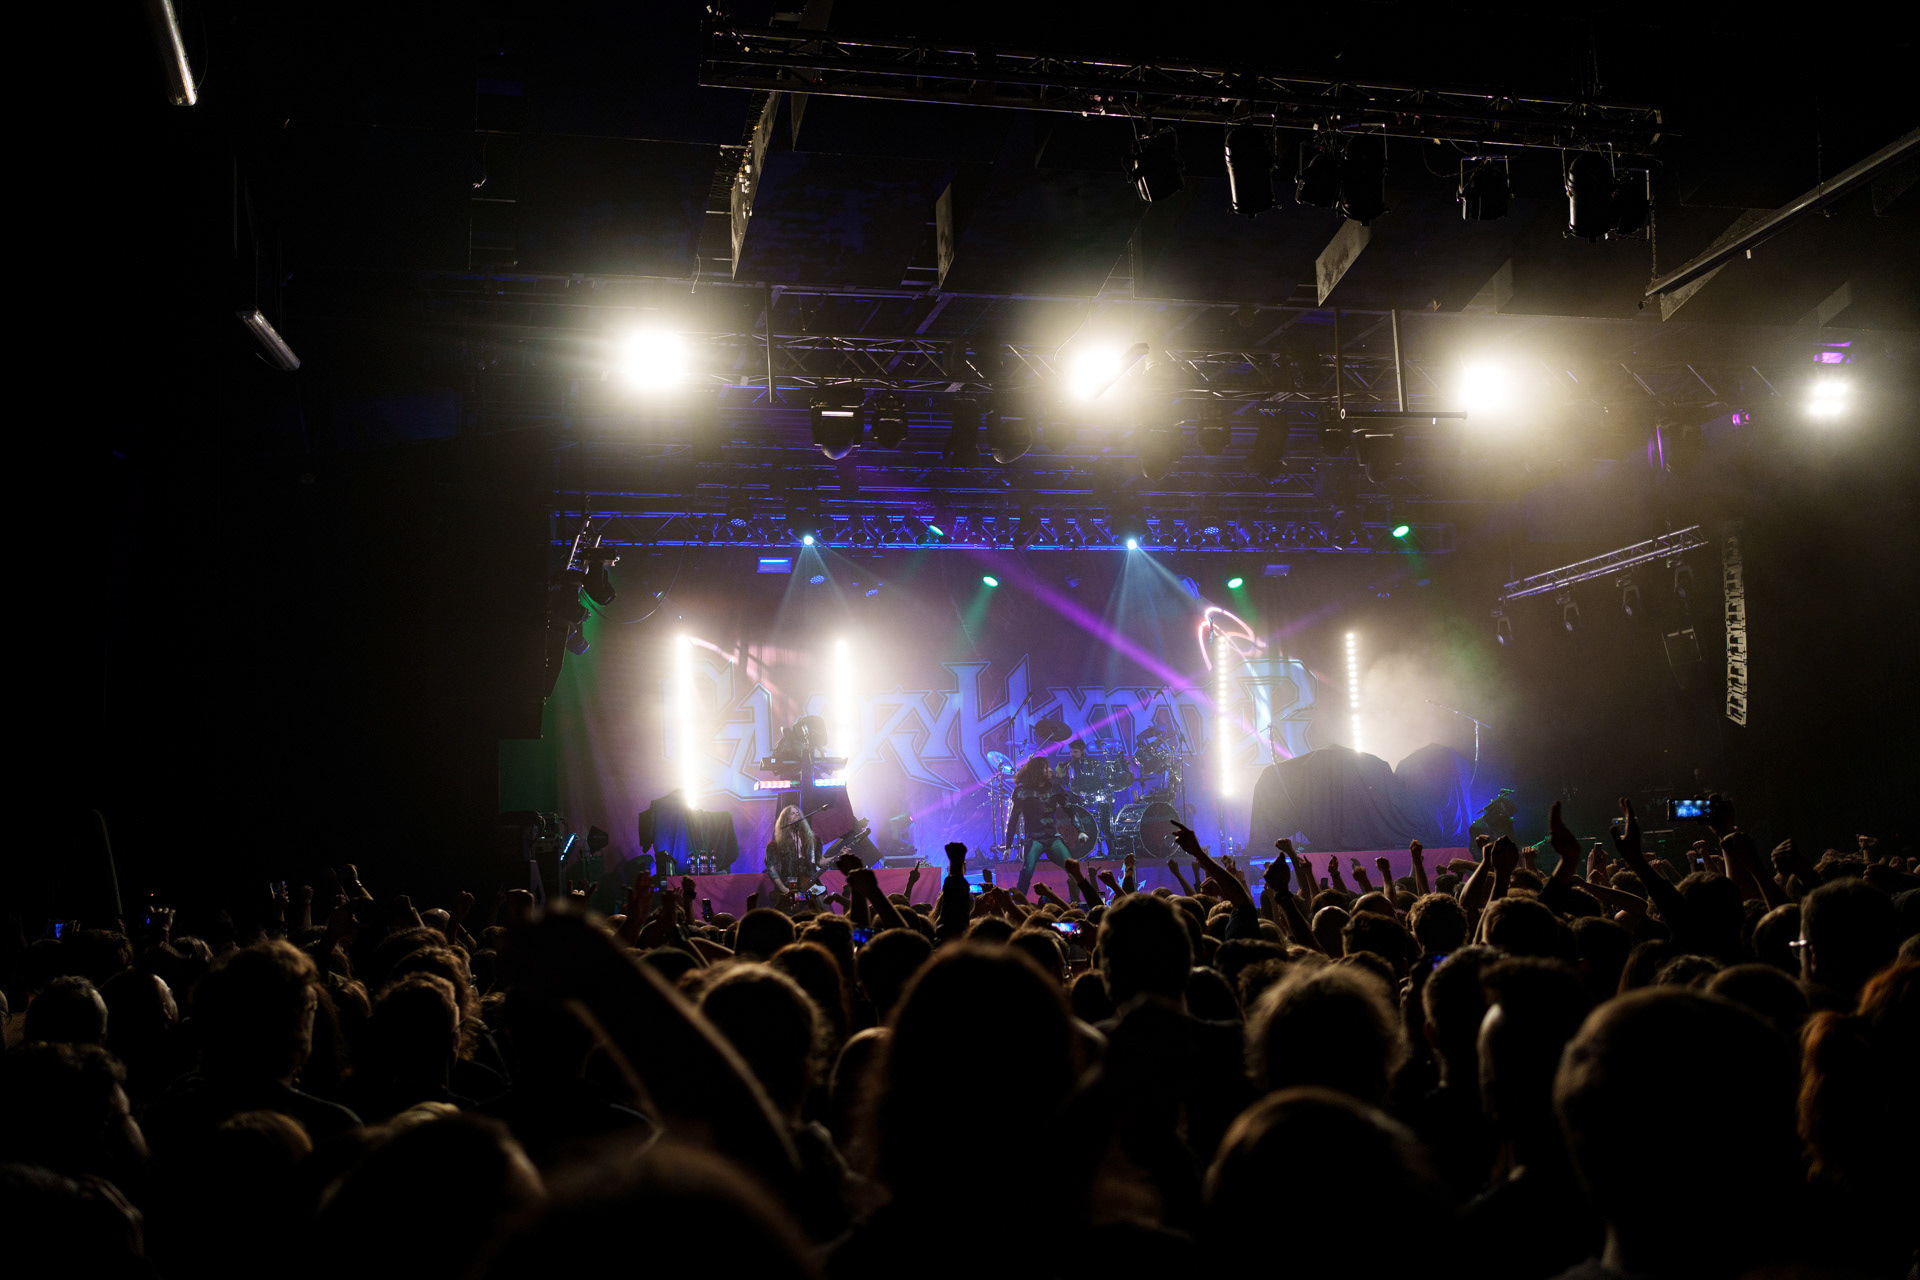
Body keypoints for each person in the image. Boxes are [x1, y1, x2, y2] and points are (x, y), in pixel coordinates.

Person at [1003, 756, 1088, 896]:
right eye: (1045, 767)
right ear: (1037, 771)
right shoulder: (1022, 792)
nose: (1050, 770)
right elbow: (1013, 820)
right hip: (1034, 839)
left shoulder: (1055, 788)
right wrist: (1008, 846)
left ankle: (1076, 902)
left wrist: (1081, 830)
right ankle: (1019, 904)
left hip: (1053, 838)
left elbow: (1070, 810)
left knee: (1073, 870)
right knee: (1026, 873)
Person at [764, 804, 822, 908]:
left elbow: (819, 861)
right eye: (792, 813)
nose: (796, 815)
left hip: (808, 881)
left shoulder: (810, 839)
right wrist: (784, 889)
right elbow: (771, 869)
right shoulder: (775, 844)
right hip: (790, 880)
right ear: (785, 819)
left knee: (817, 904)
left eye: (797, 813)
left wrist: (839, 855)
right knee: (794, 906)